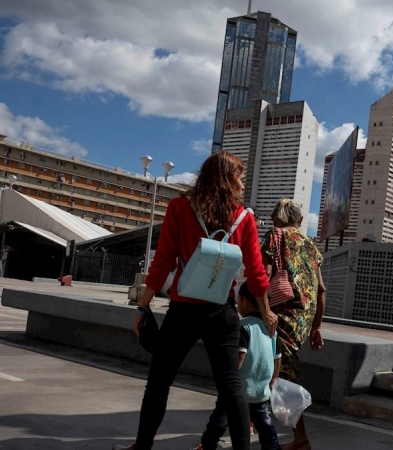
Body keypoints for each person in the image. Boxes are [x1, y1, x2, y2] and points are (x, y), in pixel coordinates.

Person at [115, 151, 277, 450]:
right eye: (239, 177)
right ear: (228, 180)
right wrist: (265, 312)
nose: (242, 182)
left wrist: (143, 305)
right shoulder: (243, 218)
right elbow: (256, 275)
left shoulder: (180, 207)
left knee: (160, 382)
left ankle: (142, 447)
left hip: (183, 310)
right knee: (231, 386)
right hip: (221, 310)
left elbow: (162, 261)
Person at [261, 199, 326, 450]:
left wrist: (262, 310)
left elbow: (264, 277)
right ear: (299, 220)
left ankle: (301, 440)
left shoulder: (275, 235)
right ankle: (251, 421)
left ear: (276, 218)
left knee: (282, 377)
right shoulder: (310, 243)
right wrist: (316, 327)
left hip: (281, 316)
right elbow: (321, 290)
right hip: (303, 320)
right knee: (275, 371)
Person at [193, 281, 281, 450]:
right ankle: (272, 446)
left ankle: (207, 445)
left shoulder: (242, 327)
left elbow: (239, 356)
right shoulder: (272, 329)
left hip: (238, 390)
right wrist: (274, 378)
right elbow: (277, 358)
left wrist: (228, 378)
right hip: (261, 389)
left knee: (220, 420)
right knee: (264, 423)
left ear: (243, 300)